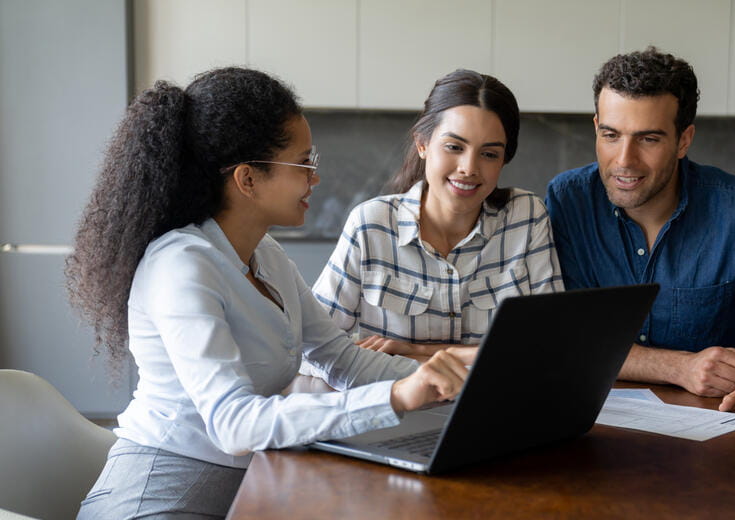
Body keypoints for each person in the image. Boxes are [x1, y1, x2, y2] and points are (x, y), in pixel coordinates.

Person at [66, 67, 467, 519]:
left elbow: (343, 358)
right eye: (304, 163)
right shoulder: (181, 266)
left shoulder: (266, 255)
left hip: (245, 487)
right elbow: (233, 425)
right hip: (159, 496)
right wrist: (396, 397)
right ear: (248, 179)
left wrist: (450, 382)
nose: (315, 179)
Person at [545, 47, 735, 425]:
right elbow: (568, 339)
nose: (624, 160)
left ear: (684, 140)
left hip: (727, 433)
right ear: (596, 126)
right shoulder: (568, 202)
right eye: (611, 135)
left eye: (648, 139)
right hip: (597, 432)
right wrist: (678, 367)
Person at [311, 69, 563, 365]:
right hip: (397, 407)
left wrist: (419, 351)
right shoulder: (371, 224)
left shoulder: (527, 216)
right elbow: (314, 347)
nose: (469, 168)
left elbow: (553, 344)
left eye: (489, 154)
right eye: (454, 147)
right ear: (422, 144)